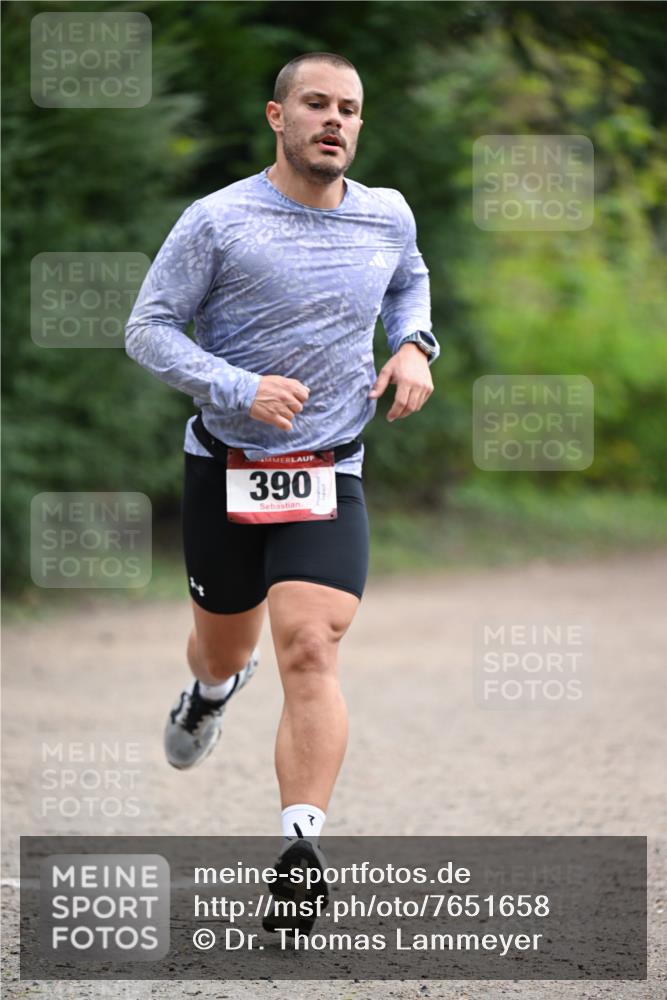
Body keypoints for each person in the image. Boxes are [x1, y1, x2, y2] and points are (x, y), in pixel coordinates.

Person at [124, 50, 439, 932]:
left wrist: (414, 344)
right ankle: (212, 694)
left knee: (310, 646)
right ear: (277, 116)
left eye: (348, 108)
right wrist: (235, 386)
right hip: (224, 466)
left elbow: (409, 278)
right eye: (315, 104)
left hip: (329, 468)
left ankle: (299, 848)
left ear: (358, 126)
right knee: (224, 650)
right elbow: (145, 330)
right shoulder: (217, 220)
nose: (333, 120)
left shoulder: (386, 216)